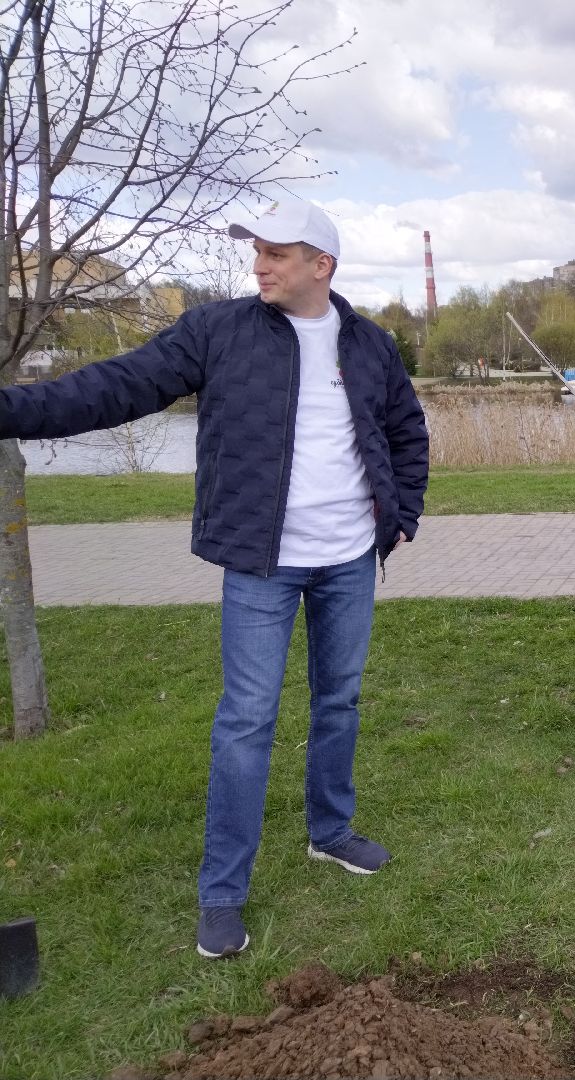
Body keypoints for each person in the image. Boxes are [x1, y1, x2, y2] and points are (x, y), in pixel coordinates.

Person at [0, 198, 429, 960]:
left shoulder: (370, 344)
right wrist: (10, 410)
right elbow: (113, 387)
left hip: (349, 559)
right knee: (245, 721)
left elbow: (405, 429)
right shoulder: (216, 331)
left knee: (341, 698)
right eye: (256, 251)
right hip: (261, 563)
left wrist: (402, 515)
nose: (258, 264)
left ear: (320, 266)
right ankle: (223, 890)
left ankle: (330, 832)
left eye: (276, 253)